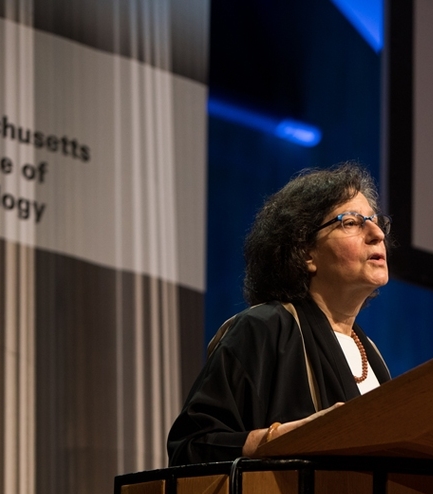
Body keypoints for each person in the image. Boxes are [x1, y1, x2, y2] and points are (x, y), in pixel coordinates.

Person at [167, 163, 392, 465]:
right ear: (305, 252)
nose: (377, 233)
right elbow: (191, 446)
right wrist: (280, 438)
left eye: (375, 221)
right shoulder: (262, 330)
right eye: (351, 222)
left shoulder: (371, 352)